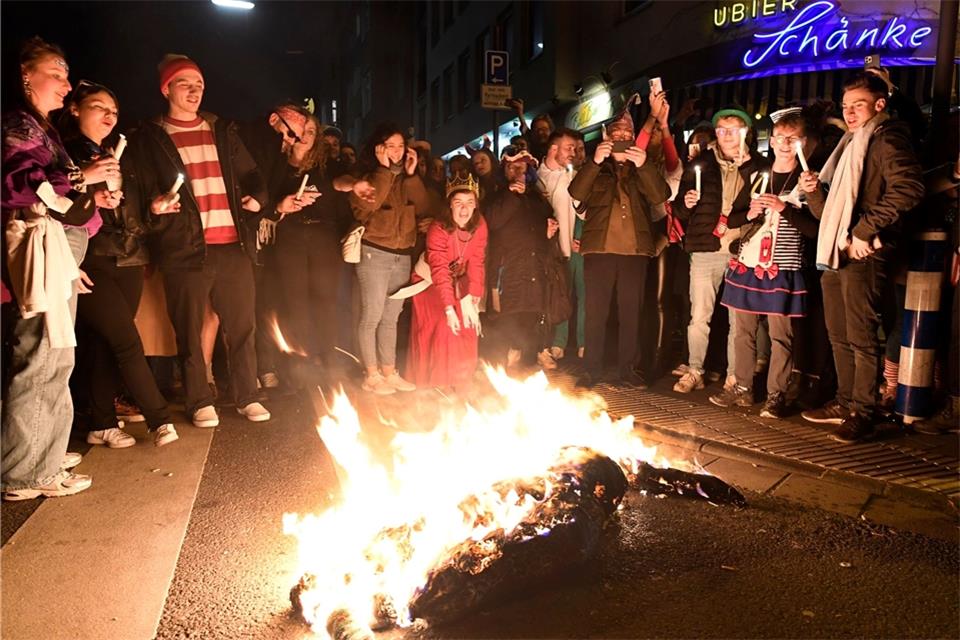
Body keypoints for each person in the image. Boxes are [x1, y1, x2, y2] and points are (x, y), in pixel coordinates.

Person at [129, 54, 270, 428]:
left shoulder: (221, 131)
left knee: (242, 326)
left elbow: (253, 174)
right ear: (166, 88)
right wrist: (154, 208)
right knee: (189, 331)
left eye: (199, 85)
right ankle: (199, 400)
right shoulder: (151, 138)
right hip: (185, 249)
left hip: (232, 245)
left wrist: (258, 200)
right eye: (185, 83)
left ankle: (246, 396)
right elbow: (138, 192)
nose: (194, 91)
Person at [2, 38, 107, 499]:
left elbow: (67, 202)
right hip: (40, 248)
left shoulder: (40, 127)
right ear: (27, 74)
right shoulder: (18, 125)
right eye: (57, 72)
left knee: (56, 353)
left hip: (55, 251)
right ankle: (26, 472)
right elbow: (22, 185)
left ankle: (41, 449)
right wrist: (84, 179)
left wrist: (90, 195)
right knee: (43, 354)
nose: (66, 83)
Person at [800, 73, 924, 443]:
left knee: (861, 336)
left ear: (879, 105)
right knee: (838, 334)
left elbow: (909, 188)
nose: (850, 113)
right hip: (835, 249)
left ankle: (863, 411)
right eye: (845, 107)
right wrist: (812, 193)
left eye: (858, 105)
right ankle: (844, 401)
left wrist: (864, 231)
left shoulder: (887, 138)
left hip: (863, 253)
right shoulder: (849, 145)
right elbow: (827, 214)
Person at [59, 81, 178, 448]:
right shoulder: (64, 154)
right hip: (91, 257)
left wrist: (154, 210)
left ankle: (101, 423)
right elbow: (55, 201)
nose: (110, 115)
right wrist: (91, 193)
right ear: (76, 109)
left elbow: (133, 213)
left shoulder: (118, 154)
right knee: (126, 341)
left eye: (114, 109)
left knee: (103, 343)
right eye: (99, 107)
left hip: (129, 256)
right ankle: (159, 419)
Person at [709, 110, 819, 418]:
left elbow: (814, 229)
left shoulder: (808, 180)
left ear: (803, 143)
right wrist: (751, 212)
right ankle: (742, 389)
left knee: (780, 335)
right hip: (749, 262)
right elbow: (732, 217)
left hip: (782, 267)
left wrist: (785, 208)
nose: (785, 144)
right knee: (742, 331)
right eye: (780, 138)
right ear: (770, 141)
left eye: (792, 139)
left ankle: (776, 395)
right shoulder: (758, 174)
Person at [569, 109, 671, 388]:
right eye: (617, 134)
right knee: (595, 312)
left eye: (628, 134)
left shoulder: (642, 167)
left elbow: (661, 195)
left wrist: (645, 165)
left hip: (634, 251)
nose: (623, 137)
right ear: (606, 137)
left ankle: (628, 368)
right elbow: (576, 192)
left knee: (631, 312)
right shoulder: (596, 166)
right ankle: (591, 367)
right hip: (599, 249)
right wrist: (595, 160)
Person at [671, 106, 768, 394]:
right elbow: (678, 209)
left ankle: (734, 376)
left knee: (739, 320)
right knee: (699, 316)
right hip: (706, 248)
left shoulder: (759, 166)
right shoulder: (700, 164)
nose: (727, 136)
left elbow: (762, 209)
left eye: (734, 130)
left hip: (743, 250)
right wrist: (685, 205)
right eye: (722, 130)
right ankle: (695, 369)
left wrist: (748, 165)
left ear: (746, 132)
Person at [350, 122, 430, 394]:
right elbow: (367, 207)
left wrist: (411, 175)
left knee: (391, 317)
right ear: (378, 148)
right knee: (371, 314)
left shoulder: (406, 176)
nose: (396, 151)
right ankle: (371, 375)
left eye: (400, 146)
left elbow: (423, 207)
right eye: (390, 146)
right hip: (375, 252)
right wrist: (384, 171)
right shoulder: (365, 176)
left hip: (402, 255)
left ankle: (389, 371)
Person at [270, 114, 350, 379]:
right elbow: (268, 197)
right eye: (302, 129)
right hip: (290, 236)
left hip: (322, 235)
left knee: (325, 298)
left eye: (312, 131)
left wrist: (355, 184)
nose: (306, 134)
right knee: (294, 300)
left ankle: (327, 355)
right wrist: (284, 203)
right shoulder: (276, 163)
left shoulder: (326, 166)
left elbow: (341, 183)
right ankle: (300, 361)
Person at [406, 175, 488, 390]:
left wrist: (474, 296)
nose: (464, 209)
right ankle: (436, 384)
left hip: (458, 281)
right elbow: (440, 270)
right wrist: (450, 308)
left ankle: (461, 380)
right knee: (445, 326)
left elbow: (477, 261)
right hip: (430, 281)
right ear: (449, 205)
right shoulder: (438, 228)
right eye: (458, 203)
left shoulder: (479, 225)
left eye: (470, 203)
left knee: (468, 326)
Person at [485, 145, 560, 369]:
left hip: (535, 271)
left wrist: (548, 233)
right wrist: (511, 195)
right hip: (506, 272)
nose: (517, 172)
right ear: (504, 170)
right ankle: (501, 368)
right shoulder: (496, 196)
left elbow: (546, 227)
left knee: (531, 321)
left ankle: (527, 367)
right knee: (505, 322)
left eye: (522, 167)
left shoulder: (538, 199)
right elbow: (492, 222)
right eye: (511, 167)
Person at [538, 128, 585, 363]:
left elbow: (585, 211)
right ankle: (547, 345)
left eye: (575, 149)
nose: (573, 153)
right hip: (547, 251)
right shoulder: (537, 177)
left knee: (571, 295)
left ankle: (570, 343)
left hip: (572, 248)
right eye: (569, 148)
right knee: (548, 298)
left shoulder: (575, 176)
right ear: (553, 149)